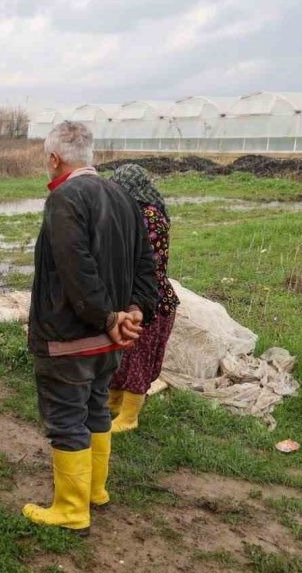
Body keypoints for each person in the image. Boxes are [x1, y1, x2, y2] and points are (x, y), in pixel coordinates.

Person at [23, 121, 158, 535]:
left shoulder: (65, 198)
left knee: (67, 418)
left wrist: (108, 316)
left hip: (71, 339)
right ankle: (95, 491)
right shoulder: (122, 194)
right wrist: (134, 310)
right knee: (97, 409)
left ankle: (70, 508)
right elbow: (145, 263)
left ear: (54, 158)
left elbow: (74, 269)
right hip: (110, 340)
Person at [107, 164, 179, 433]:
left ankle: (129, 416)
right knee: (121, 353)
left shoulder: (150, 216)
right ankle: (113, 403)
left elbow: (141, 262)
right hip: (131, 294)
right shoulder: (134, 212)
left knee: (137, 356)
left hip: (150, 300)